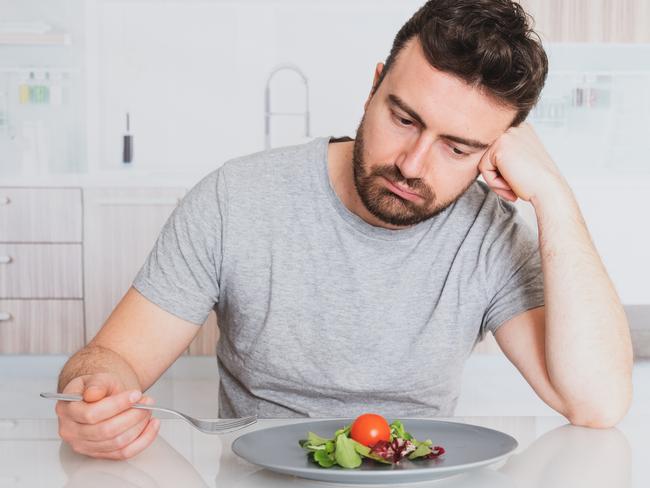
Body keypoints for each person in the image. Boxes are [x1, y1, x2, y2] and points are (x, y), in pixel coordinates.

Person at [54, 0, 633, 460]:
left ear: (496, 150)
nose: (412, 163)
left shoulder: (490, 235)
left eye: (457, 148)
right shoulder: (236, 199)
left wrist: (555, 196)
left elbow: (597, 404)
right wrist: (93, 398)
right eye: (403, 119)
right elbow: (111, 357)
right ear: (374, 86)